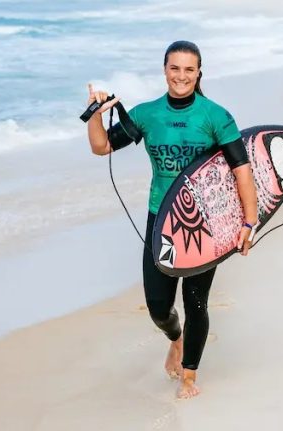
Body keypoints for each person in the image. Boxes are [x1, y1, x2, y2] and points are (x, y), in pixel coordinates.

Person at [85, 40, 259, 399]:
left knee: (196, 302)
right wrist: (96, 114)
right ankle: (175, 339)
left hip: (205, 223)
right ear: (165, 70)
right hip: (162, 220)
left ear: (199, 73)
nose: (181, 76)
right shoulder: (148, 114)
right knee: (158, 307)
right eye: (174, 68)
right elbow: (101, 147)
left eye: (189, 69)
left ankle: (189, 377)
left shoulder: (215, 116)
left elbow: (242, 169)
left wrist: (249, 222)